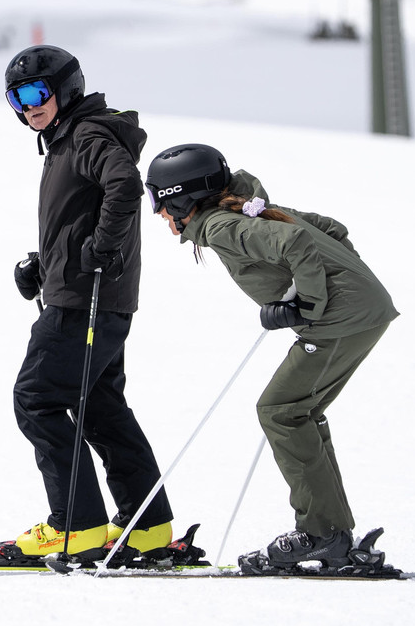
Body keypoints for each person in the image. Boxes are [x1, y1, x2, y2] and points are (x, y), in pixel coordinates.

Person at [144, 143, 398, 572]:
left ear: (183, 197)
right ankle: (332, 533)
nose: (158, 213)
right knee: (299, 410)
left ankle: (323, 534)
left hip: (343, 319)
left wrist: (309, 305)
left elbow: (297, 239)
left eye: (160, 201)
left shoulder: (221, 226)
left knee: (281, 411)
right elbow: (329, 229)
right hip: (358, 312)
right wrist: (335, 287)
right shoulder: (248, 210)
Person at [0, 44, 173, 562]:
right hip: (88, 294)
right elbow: (84, 211)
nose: (28, 104)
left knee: (37, 398)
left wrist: (99, 250)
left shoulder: (87, 133)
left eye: (36, 91)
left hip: (85, 300)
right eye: (16, 97)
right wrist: (47, 265)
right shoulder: (66, 139)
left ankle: (77, 526)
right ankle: (145, 526)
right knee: (100, 406)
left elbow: (124, 185)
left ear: (66, 87)